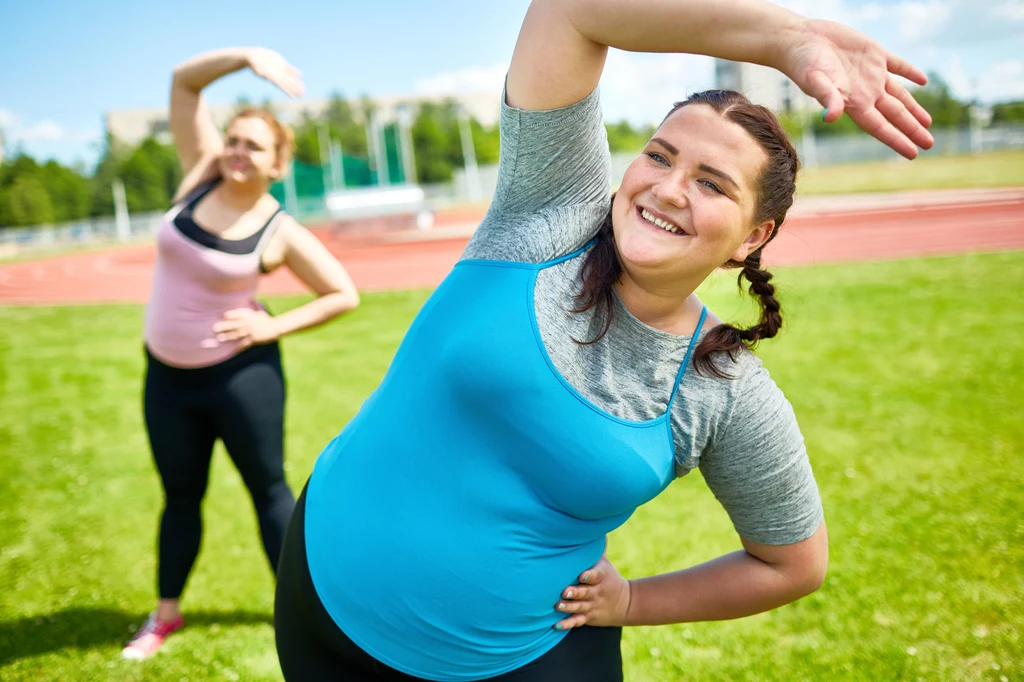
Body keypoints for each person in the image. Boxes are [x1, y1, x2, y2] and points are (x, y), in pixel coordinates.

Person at [274, 0, 934, 679]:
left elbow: (794, 564)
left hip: (518, 661)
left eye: (711, 184)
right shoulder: (550, 213)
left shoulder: (722, 388)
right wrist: (787, 37)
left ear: (751, 238)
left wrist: (633, 600)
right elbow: (567, 11)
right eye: (660, 156)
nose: (669, 189)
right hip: (320, 605)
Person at [122, 47, 360, 660]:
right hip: (166, 377)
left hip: (240, 379)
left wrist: (268, 331)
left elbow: (342, 293)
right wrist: (247, 58)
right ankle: (164, 615)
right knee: (180, 496)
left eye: (253, 145)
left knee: (269, 492)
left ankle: (304, 618)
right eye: (233, 139)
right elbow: (182, 81)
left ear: (278, 163)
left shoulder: (277, 228)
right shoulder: (198, 176)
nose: (236, 151)